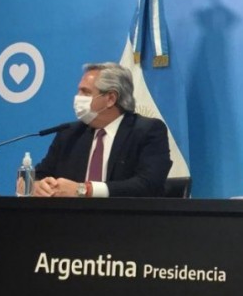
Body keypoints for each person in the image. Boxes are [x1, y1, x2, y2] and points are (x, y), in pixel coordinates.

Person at [32, 62, 172, 197]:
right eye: (79, 91)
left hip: (122, 213)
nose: (77, 98)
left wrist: (84, 190)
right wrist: (36, 186)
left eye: (86, 92)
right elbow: (37, 175)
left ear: (111, 98)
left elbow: (149, 184)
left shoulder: (147, 131)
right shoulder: (69, 134)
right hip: (69, 213)